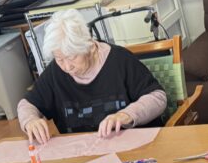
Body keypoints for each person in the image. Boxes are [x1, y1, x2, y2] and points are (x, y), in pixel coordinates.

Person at [19, 8, 167, 143]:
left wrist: (125, 115)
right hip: (86, 155)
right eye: (59, 59)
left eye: (72, 57)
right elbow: (26, 104)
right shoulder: (55, 73)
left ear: (89, 46)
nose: (67, 66)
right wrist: (30, 120)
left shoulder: (120, 61)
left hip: (136, 149)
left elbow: (158, 97)